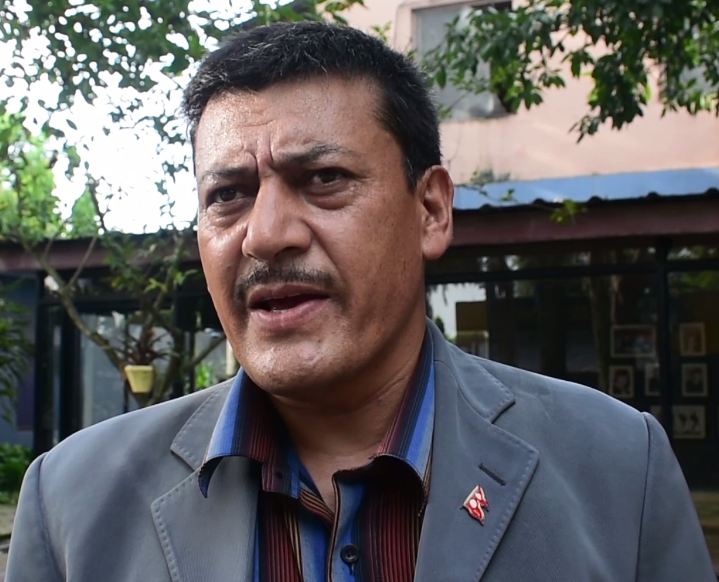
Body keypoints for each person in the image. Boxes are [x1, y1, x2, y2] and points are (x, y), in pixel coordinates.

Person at [7, 22, 714, 582]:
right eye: (228, 195)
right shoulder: (72, 502)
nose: (265, 235)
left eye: (323, 179)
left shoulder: (618, 469)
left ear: (430, 210)